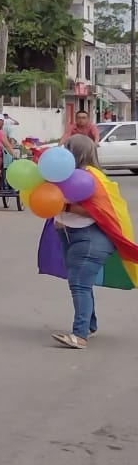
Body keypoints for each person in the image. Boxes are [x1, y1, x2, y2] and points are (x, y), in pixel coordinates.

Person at [49, 136, 134, 349]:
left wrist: (63, 207)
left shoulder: (91, 178)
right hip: (70, 235)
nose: (63, 151)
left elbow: (96, 210)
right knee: (79, 283)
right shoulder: (65, 174)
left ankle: (79, 335)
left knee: (79, 284)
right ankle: (89, 325)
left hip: (89, 238)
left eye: (67, 148)